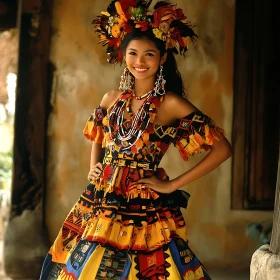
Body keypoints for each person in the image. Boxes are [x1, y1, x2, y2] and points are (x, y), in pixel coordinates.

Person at [40, 0, 232, 279]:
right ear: (123, 54)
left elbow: (222, 149)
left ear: (162, 58)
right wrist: (93, 167)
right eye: (133, 53)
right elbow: (99, 133)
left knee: (148, 266)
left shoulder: (171, 104)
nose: (139, 62)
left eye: (149, 54)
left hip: (142, 199)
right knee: (85, 265)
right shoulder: (111, 99)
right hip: (101, 196)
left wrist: (171, 185)